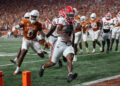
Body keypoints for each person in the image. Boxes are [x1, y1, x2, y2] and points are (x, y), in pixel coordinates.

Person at [39, 6, 77, 82]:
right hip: (60, 44)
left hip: (68, 44)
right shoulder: (62, 21)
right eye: (69, 15)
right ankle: (43, 67)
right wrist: (64, 31)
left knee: (70, 58)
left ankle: (70, 75)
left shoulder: (74, 23)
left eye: (72, 15)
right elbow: (58, 31)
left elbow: (73, 34)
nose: (71, 17)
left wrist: (73, 44)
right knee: (52, 63)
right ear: (65, 15)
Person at [12, 10, 46, 75]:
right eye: (32, 16)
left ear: (37, 17)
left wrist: (45, 39)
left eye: (34, 17)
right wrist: (14, 28)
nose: (33, 18)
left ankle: (37, 50)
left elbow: (42, 33)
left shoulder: (39, 24)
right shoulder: (25, 21)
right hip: (26, 40)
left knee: (42, 56)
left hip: (34, 40)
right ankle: (17, 70)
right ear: (30, 16)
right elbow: (17, 26)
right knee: (23, 53)